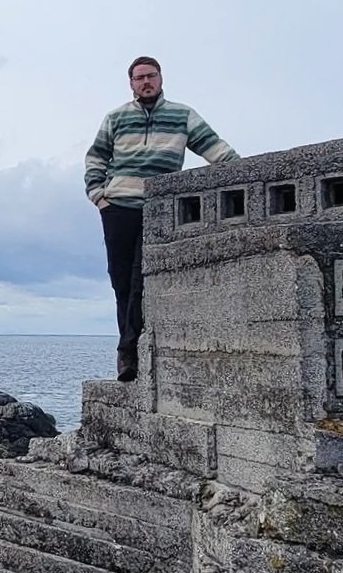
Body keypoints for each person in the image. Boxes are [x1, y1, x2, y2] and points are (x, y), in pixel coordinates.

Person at [84, 55, 238, 381]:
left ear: (161, 78)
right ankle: (131, 351)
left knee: (143, 280)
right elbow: (96, 157)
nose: (146, 82)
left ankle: (128, 354)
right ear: (131, 83)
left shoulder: (182, 115)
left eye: (151, 76)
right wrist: (99, 196)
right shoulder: (116, 118)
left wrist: (245, 174)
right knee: (121, 282)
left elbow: (216, 150)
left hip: (159, 208)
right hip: (118, 207)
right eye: (139, 78)